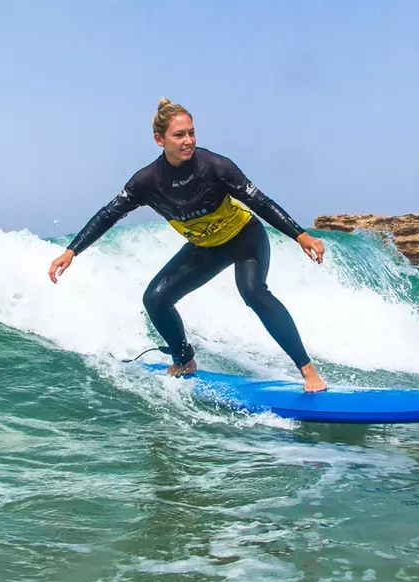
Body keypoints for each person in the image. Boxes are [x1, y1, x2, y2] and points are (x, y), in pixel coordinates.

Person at [48, 98, 328, 392]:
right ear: (160, 139)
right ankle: (184, 360)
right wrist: (72, 251)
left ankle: (308, 371)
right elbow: (108, 214)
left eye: (191, 133)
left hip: (245, 236)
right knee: (155, 299)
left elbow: (260, 202)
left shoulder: (216, 166)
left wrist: (300, 235)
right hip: (207, 247)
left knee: (253, 292)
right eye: (179, 135)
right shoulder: (147, 181)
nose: (188, 141)